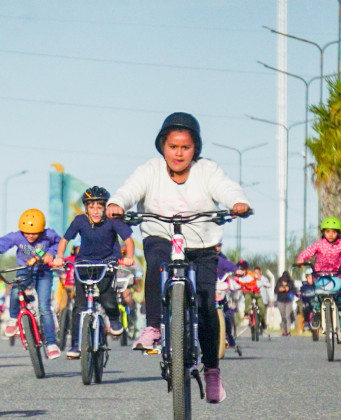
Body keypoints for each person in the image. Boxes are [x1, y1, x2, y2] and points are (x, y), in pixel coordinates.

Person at [106, 112, 251, 403]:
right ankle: (154, 327)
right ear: (163, 146)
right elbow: (129, 190)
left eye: (185, 147)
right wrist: (117, 203)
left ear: (195, 148)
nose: (179, 153)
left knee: (208, 309)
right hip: (161, 235)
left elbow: (226, 188)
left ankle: (211, 373)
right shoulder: (150, 170)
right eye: (173, 146)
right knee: (157, 265)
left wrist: (238, 202)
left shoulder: (207, 170)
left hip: (202, 243)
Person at [52, 186, 134, 359]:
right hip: (84, 265)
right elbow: (65, 240)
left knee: (107, 299)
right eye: (92, 207)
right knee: (79, 307)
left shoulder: (113, 221)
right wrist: (59, 256)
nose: (96, 211)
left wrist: (129, 257)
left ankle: (113, 319)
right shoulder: (80, 221)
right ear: (86, 208)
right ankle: (75, 344)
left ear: (105, 208)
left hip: (107, 264)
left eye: (99, 207)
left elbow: (128, 239)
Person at [0, 209, 63, 359]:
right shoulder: (17, 237)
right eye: (27, 233)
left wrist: (51, 253)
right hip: (24, 270)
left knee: (44, 307)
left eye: (34, 233)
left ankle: (51, 343)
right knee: (15, 292)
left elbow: (59, 242)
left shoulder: (48, 234)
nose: (30, 236)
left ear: (42, 230)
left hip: (43, 272)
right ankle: (13, 318)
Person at [235, 261, 266, 330]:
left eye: (242, 270)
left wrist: (262, 281)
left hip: (255, 292)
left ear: (246, 269)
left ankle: (263, 321)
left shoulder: (251, 274)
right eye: (239, 270)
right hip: (247, 292)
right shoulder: (237, 277)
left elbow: (258, 277)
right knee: (247, 298)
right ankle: (246, 312)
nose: (241, 272)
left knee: (262, 307)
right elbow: (234, 283)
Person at [274, 271, 295, 336]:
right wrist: (280, 289)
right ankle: (284, 330)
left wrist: (288, 289)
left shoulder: (291, 282)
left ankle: (288, 330)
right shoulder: (279, 282)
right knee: (283, 317)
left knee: (287, 316)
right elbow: (275, 290)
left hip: (288, 301)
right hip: (280, 301)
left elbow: (294, 290)